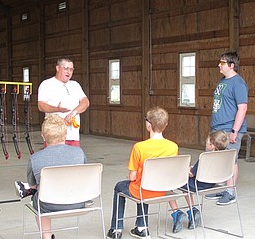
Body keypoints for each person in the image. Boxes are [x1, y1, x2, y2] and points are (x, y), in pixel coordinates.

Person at [106, 106, 178, 239]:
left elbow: (132, 177)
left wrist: (131, 176)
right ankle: (141, 227)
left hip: (144, 190)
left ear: (148, 125)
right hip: (162, 189)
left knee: (120, 186)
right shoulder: (173, 146)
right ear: (165, 125)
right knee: (144, 183)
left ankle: (116, 229)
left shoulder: (139, 147)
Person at [16, 115, 87, 239]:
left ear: (43, 137)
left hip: (49, 205)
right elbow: (85, 175)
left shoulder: (35, 158)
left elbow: (33, 185)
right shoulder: (79, 153)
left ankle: (46, 236)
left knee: (37, 196)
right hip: (78, 202)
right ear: (65, 136)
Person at [168, 131, 230, 233]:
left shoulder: (205, 157)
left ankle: (177, 212)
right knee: (186, 184)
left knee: (170, 181)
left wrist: (185, 169)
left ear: (211, 145)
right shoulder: (225, 156)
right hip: (212, 184)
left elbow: (191, 174)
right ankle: (192, 211)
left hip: (198, 185)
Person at [207, 51, 248, 205]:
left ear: (231, 65)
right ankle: (222, 188)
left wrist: (234, 131)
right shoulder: (222, 81)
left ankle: (230, 192)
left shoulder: (238, 83)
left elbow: (242, 108)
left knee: (230, 160)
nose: (219, 65)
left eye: (222, 63)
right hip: (217, 126)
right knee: (218, 159)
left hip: (229, 127)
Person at [38, 56, 90, 147]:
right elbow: (41, 106)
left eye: (71, 69)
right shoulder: (46, 84)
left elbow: (85, 102)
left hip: (73, 136)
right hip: (54, 136)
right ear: (58, 68)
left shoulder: (75, 85)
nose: (69, 72)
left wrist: (73, 113)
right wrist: (57, 109)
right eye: (66, 68)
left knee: (74, 160)